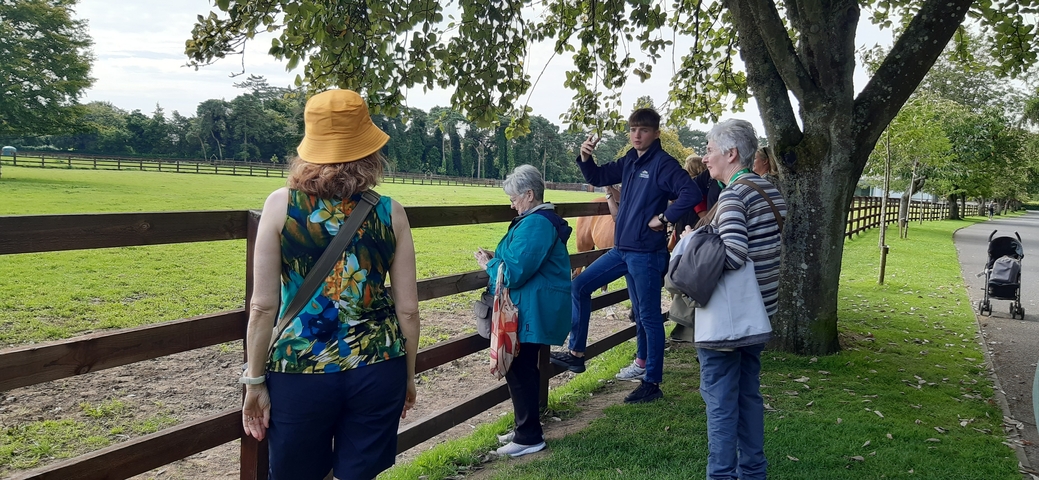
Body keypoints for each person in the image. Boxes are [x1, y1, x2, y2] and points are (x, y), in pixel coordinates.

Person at [241, 89, 420, 480]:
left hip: (299, 369)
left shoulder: (280, 205)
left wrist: (254, 381)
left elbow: (262, 308)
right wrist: (407, 376)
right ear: (369, 148)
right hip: (378, 366)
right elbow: (407, 309)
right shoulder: (390, 212)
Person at [551, 108, 702, 404]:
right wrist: (585, 157)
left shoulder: (663, 164)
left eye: (643, 130)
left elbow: (690, 193)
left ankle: (652, 382)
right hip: (622, 250)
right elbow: (598, 175)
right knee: (579, 286)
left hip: (646, 254)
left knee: (647, 317)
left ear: (655, 133)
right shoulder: (630, 160)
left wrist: (664, 216)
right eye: (633, 129)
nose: (636, 135)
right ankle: (576, 354)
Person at [695, 118, 786, 480]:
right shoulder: (768, 189)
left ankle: (720, 475)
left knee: (719, 401)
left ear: (731, 154)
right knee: (748, 395)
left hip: (728, 320)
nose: (705, 158)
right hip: (759, 313)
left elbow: (732, 254)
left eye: (709, 149)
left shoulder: (733, 194)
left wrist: (694, 241)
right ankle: (753, 473)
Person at [474, 165, 572, 457]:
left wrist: (488, 264)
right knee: (523, 367)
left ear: (529, 195)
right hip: (532, 306)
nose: (512, 203)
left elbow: (514, 272)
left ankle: (528, 436)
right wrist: (499, 258)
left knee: (520, 368)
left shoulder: (536, 224)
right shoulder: (538, 221)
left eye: (514, 197)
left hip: (530, 308)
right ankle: (525, 429)